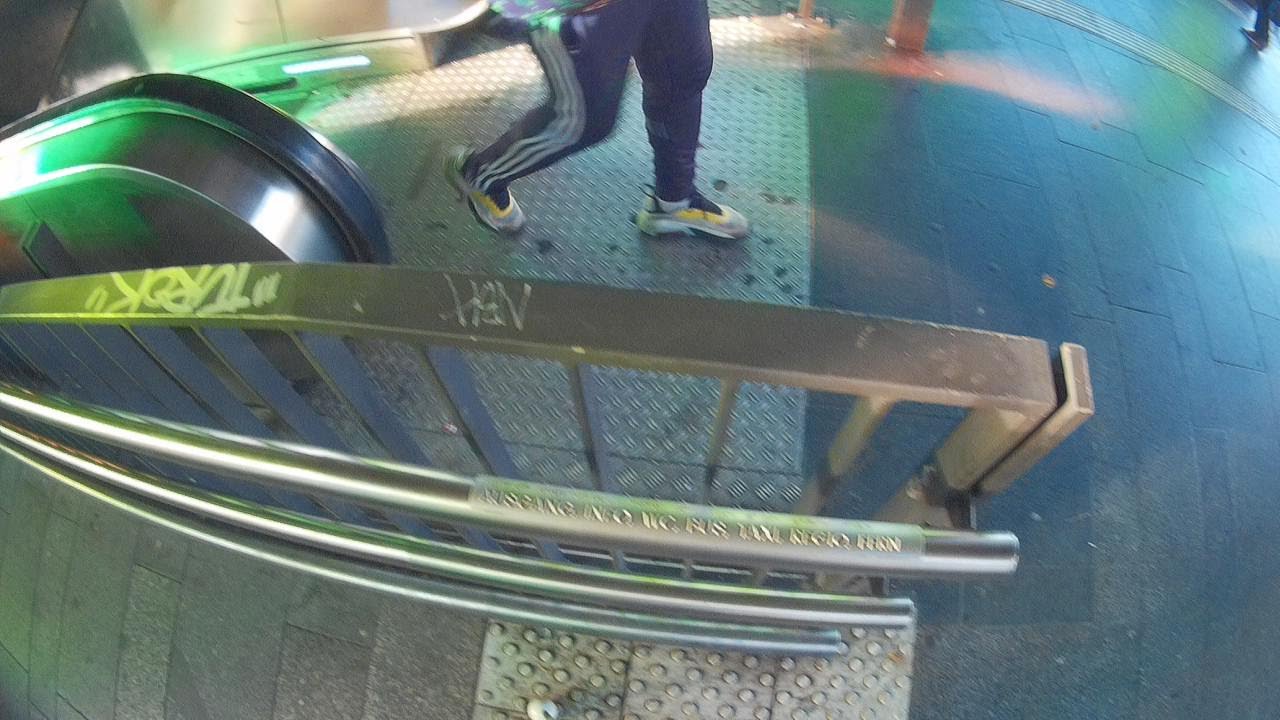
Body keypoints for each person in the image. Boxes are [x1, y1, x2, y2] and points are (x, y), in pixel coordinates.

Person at [443, 0, 750, 241]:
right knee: (582, 120)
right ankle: (480, 176)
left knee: (682, 76)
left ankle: (675, 201)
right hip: (575, 6)